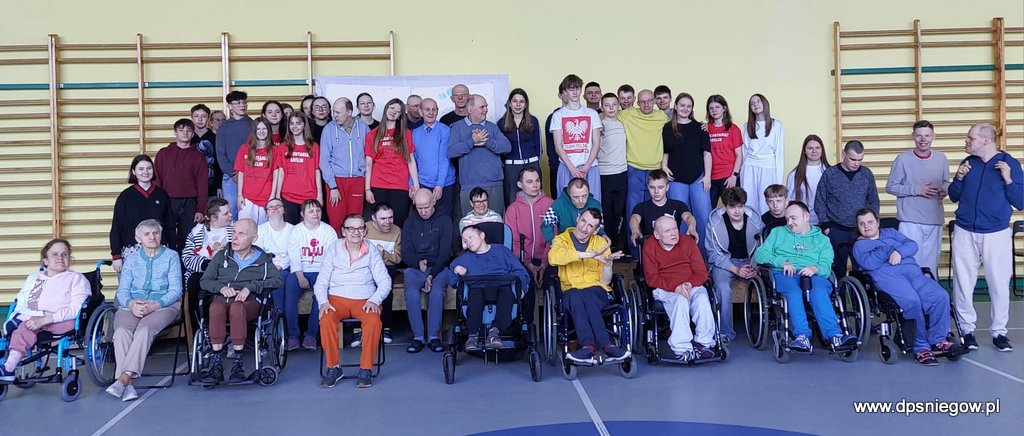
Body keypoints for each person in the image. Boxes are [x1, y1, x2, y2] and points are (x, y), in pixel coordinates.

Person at [949, 123, 1023, 352]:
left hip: (996, 233)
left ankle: (999, 332)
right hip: (964, 231)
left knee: (999, 284)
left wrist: (1008, 180)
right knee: (962, 283)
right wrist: (959, 178)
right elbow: (953, 196)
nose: (966, 141)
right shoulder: (967, 162)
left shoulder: (1009, 163)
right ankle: (966, 330)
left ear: (986, 140)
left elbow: (1021, 202)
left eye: (970, 138)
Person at [852, 209, 956, 365]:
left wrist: (899, 251)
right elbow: (869, 263)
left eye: (870, 222)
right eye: (862, 224)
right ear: (858, 227)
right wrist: (892, 249)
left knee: (940, 296)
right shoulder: (860, 245)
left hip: (913, 273)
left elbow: (912, 245)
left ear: (878, 222)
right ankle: (921, 347)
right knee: (912, 301)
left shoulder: (890, 232)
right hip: (888, 278)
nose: (866, 226)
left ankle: (938, 340)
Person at [753, 201, 857, 352]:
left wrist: (815, 268)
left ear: (806, 216)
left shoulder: (822, 240)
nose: (789, 223)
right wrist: (781, 262)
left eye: (793, 218)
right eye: (787, 219)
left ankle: (835, 335)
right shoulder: (778, 233)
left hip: (813, 274)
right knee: (793, 291)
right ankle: (802, 336)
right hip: (784, 273)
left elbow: (826, 266)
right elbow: (760, 254)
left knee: (818, 291)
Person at [105, 220, 182, 401]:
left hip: (163, 305)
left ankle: (122, 378)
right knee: (121, 332)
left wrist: (156, 304)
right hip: (133, 305)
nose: (152, 237)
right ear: (138, 239)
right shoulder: (131, 259)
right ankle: (128, 385)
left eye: (155, 233)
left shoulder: (171, 256)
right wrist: (131, 303)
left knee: (144, 330)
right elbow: (122, 291)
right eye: (147, 234)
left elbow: (176, 290)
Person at [199, 218, 283, 384]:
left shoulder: (263, 260)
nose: (235, 238)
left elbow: (278, 281)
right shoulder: (222, 256)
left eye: (241, 234)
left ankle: (238, 364)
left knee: (237, 308)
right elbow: (205, 280)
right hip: (223, 299)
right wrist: (221, 288)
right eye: (234, 233)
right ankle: (217, 365)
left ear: (253, 238)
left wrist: (251, 287)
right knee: (215, 307)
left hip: (249, 302)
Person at [315, 214, 392, 389]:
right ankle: (333, 368)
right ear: (343, 231)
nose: (356, 232)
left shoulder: (371, 250)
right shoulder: (334, 248)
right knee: (326, 319)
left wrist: (375, 300)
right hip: (336, 298)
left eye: (360, 228)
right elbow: (321, 282)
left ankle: (366, 369)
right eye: (351, 228)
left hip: (365, 299)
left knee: (373, 321)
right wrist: (323, 302)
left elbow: (385, 281)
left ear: (365, 231)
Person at [0, 239, 90, 383]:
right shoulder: (33, 278)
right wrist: (36, 317)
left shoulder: (77, 279)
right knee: (23, 329)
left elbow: (75, 309)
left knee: (23, 327)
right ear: (45, 260)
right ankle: (8, 367)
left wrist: (45, 319)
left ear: (69, 259)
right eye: (55, 254)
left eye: (65, 254)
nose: (60, 257)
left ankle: (8, 366)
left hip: (62, 320)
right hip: (32, 318)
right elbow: (20, 303)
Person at [547, 209, 627, 362]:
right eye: (583, 221)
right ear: (578, 218)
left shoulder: (601, 243)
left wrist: (608, 264)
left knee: (588, 295)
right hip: (571, 289)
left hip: (596, 290)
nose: (584, 228)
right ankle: (602, 345)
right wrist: (589, 255)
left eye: (590, 226)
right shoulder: (561, 240)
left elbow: (605, 281)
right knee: (578, 296)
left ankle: (591, 347)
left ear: (595, 230)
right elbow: (553, 258)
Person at [449, 225, 531, 351]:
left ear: (482, 236)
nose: (468, 242)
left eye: (470, 237)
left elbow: (520, 271)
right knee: (474, 298)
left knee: (507, 295)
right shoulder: (465, 257)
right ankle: (473, 335)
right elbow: (452, 279)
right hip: (477, 287)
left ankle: (494, 332)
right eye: (465, 240)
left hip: (502, 285)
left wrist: (523, 288)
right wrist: (456, 270)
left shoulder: (502, 251)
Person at [644, 216, 715, 360]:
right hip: (665, 288)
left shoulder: (688, 242)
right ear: (657, 235)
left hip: (691, 284)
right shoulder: (650, 246)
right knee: (680, 300)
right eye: (667, 231)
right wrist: (675, 288)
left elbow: (701, 272)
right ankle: (682, 348)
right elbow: (652, 278)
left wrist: (689, 284)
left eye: (675, 229)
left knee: (702, 299)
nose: (673, 233)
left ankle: (703, 343)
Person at [885, 120, 949, 275]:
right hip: (910, 221)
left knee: (930, 266)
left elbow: (946, 182)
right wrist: (917, 190)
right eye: (919, 135)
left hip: (934, 220)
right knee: (911, 264)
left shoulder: (941, 158)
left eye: (927, 135)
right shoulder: (902, 159)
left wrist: (945, 190)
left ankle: (929, 290)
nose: (923, 139)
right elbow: (891, 187)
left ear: (933, 136)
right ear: (913, 136)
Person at [706, 187, 763, 344]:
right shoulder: (714, 221)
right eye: (732, 207)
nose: (737, 211)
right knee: (722, 287)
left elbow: (762, 247)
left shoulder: (754, 219)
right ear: (725, 207)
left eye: (740, 206)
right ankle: (725, 333)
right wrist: (735, 269)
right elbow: (713, 253)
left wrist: (755, 267)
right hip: (725, 263)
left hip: (749, 261)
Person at [815, 140, 879, 278]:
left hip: (861, 231)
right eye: (852, 159)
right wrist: (826, 226)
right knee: (837, 272)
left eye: (860, 160)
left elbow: (874, 200)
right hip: (836, 230)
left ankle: (859, 293)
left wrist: (871, 224)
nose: (856, 163)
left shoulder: (866, 174)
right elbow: (820, 201)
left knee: (862, 271)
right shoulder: (830, 174)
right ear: (843, 154)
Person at [402, 188, 454, 353]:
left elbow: (446, 252)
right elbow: (405, 252)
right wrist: (417, 263)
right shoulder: (410, 222)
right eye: (420, 208)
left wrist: (431, 275)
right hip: (416, 267)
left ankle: (433, 337)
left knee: (437, 292)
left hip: (439, 267)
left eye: (426, 207)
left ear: (434, 202)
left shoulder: (445, 220)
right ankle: (418, 337)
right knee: (411, 293)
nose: (423, 212)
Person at [285, 200, 338, 350]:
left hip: (322, 271)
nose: (315, 213)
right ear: (302, 214)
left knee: (321, 297)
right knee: (289, 295)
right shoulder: (296, 231)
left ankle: (311, 335)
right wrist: (300, 276)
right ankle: (292, 336)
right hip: (300, 270)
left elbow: (332, 257)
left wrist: (323, 277)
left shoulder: (328, 231)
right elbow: (294, 256)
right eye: (311, 211)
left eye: (318, 210)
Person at [619, 89, 669, 249]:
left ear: (654, 101)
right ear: (637, 102)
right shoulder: (626, 115)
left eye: (649, 101)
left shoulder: (662, 117)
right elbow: (604, 116)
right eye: (642, 101)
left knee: (655, 210)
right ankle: (635, 252)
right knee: (633, 210)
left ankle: (656, 248)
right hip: (634, 169)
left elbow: (682, 122)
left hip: (656, 170)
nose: (646, 104)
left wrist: (704, 125)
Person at [181, 199, 233, 350]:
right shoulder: (196, 232)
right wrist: (207, 265)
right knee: (193, 282)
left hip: (227, 272)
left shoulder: (235, 230)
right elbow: (187, 257)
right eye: (226, 213)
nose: (231, 215)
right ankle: (200, 334)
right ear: (214, 217)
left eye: (229, 212)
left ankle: (230, 335)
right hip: (202, 272)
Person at [504, 167, 554, 322]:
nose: (535, 185)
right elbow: (513, 242)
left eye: (537, 181)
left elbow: (554, 238)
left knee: (552, 283)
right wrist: (528, 264)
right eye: (530, 182)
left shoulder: (550, 205)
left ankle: (556, 326)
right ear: (520, 184)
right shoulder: (513, 209)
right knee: (526, 284)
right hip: (522, 261)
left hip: (548, 259)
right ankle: (528, 327)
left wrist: (544, 263)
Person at [662, 93, 712, 247]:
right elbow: (665, 152)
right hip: (676, 179)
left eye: (688, 106)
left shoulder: (700, 128)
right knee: (680, 218)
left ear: (692, 109)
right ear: (676, 106)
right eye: (682, 105)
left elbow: (707, 154)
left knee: (703, 216)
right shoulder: (668, 128)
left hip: (698, 178)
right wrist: (664, 166)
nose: (685, 108)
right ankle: (682, 253)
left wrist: (707, 176)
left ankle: (704, 255)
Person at [448, 94, 512, 213]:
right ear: (470, 109)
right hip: (469, 185)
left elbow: (507, 147)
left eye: (486, 106)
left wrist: (487, 141)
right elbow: (451, 152)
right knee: (471, 223)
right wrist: (472, 141)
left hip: (494, 184)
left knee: (495, 221)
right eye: (482, 107)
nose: (486, 110)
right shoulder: (457, 127)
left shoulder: (492, 127)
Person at [110, 155, 172, 273]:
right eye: (141, 169)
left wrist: (172, 251)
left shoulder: (162, 195)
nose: (145, 172)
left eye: (149, 168)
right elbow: (117, 226)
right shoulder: (125, 196)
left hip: (159, 250)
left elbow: (170, 226)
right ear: (134, 171)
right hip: (132, 250)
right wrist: (116, 255)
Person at [154, 118, 209, 252]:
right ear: (175, 133)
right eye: (181, 130)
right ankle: (171, 263)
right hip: (168, 201)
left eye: (188, 130)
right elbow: (157, 179)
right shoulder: (163, 153)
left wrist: (200, 209)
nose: (185, 133)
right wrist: (158, 203)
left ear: (193, 134)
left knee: (188, 237)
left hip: (189, 203)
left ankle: (185, 265)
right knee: (167, 235)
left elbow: (202, 184)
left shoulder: (199, 156)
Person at [365, 98, 420, 228]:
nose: (394, 112)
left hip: (399, 184)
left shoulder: (405, 133)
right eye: (392, 108)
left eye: (398, 111)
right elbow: (368, 163)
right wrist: (367, 189)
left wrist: (416, 186)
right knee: (379, 222)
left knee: (398, 220)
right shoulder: (372, 134)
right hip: (378, 183)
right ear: (386, 109)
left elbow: (411, 160)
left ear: (400, 115)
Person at [320, 97, 371, 234]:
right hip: (336, 181)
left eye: (338, 112)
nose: (334, 115)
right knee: (336, 220)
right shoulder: (329, 129)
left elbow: (369, 157)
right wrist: (332, 186)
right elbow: (324, 160)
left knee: (355, 221)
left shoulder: (363, 128)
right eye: (333, 112)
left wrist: (366, 181)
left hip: (357, 180)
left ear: (349, 112)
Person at [355, 202, 401, 346]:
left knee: (385, 287)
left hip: (387, 266)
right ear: (374, 218)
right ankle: (359, 329)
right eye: (383, 218)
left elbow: (398, 258)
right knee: (359, 286)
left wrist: (385, 254)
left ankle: (385, 327)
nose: (388, 222)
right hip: (365, 266)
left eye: (390, 217)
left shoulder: (397, 231)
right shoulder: (364, 229)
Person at [551, 74, 603, 200]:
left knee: (592, 203)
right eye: (571, 89)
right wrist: (572, 168)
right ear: (565, 92)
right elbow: (558, 146)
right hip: (567, 166)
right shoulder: (558, 115)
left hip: (590, 167)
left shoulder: (592, 114)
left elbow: (596, 143)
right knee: (566, 204)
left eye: (577, 88)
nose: (575, 92)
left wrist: (586, 167)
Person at [628, 170, 698, 252]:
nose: (656, 191)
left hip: (673, 249)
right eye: (652, 187)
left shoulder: (678, 205)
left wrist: (692, 227)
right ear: (648, 187)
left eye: (660, 187)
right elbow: (634, 218)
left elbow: (688, 216)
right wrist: (635, 230)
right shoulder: (641, 207)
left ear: (667, 187)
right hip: (651, 251)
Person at [412, 98, 456, 220]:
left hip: (445, 183)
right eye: (427, 109)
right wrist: (412, 184)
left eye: (434, 109)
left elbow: (444, 159)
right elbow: (412, 161)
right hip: (423, 183)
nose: (431, 112)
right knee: (424, 219)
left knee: (444, 218)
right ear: (420, 112)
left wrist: (440, 184)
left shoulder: (445, 130)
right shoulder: (414, 133)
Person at [740, 94, 785, 215]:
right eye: (752, 103)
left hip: (768, 167)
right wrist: (742, 174)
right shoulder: (746, 126)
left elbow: (779, 152)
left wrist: (778, 181)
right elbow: (744, 152)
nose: (755, 104)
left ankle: (767, 227)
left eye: (758, 101)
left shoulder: (777, 125)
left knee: (768, 203)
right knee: (749, 202)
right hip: (749, 167)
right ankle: (751, 226)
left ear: (765, 103)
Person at [275, 113, 323, 224]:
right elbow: (281, 172)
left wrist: (319, 195)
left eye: (298, 123)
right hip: (288, 195)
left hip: (309, 196)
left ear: (304, 125)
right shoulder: (283, 147)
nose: (294, 126)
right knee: (290, 229)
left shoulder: (314, 147)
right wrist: (277, 195)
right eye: (292, 123)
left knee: (309, 229)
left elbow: (317, 171)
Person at [498, 88, 542, 208]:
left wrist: (535, 162)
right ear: (509, 103)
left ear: (526, 104)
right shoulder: (501, 123)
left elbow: (539, 145)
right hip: (511, 167)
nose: (518, 105)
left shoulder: (533, 121)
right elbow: (500, 149)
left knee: (535, 197)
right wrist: (505, 164)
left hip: (532, 164)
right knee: (512, 199)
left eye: (521, 101)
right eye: (515, 101)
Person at [234, 117, 282, 225]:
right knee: (245, 228)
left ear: (268, 131)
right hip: (247, 197)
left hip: (266, 196)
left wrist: (272, 197)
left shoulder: (275, 150)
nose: (261, 131)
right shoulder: (244, 149)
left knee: (262, 229)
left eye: (264, 129)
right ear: (254, 131)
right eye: (258, 129)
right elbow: (240, 173)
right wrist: (240, 195)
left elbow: (276, 175)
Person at [258, 198, 294, 339]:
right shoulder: (261, 230)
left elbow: (294, 253)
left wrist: (281, 265)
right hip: (267, 268)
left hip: (287, 267)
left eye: (278, 206)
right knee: (276, 280)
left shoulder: (293, 230)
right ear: (266, 212)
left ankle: (281, 328)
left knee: (281, 279)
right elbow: (258, 252)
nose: (275, 208)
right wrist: (271, 266)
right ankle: (279, 327)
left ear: (284, 210)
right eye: (271, 207)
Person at [598, 93, 629, 254]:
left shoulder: (624, 122)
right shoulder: (598, 124)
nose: (611, 108)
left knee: (620, 210)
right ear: (601, 107)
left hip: (622, 172)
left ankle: (619, 245)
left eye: (614, 105)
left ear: (618, 106)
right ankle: (608, 246)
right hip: (604, 173)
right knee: (607, 211)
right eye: (607, 105)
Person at [215, 90, 253, 217]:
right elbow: (220, 154)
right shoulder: (223, 128)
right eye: (238, 103)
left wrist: (246, 172)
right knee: (230, 212)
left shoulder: (254, 125)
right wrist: (232, 173)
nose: (242, 105)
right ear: (230, 106)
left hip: (251, 175)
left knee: (249, 211)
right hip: (231, 177)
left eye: (244, 102)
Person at [707, 95, 744, 210]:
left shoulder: (733, 129)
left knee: (733, 209)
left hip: (728, 176)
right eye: (711, 108)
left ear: (724, 108)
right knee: (708, 210)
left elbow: (739, 155)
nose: (714, 110)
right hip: (711, 178)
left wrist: (734, 176)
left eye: (717, 107)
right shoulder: (705, 129)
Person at [542, 177, 604, 244]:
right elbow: (546, 226)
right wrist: (556, 243)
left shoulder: (595, 204)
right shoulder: (558, 204)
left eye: (584, 196)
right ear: (569, 194)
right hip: (566, 246)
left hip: (590, 246)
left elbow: (600, 228)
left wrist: (604, 237)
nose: (581, 201)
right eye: (576, 197)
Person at [786, 134, 830, 224]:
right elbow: (789, 201)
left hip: (827, 223)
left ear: (822, 150)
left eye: (817, 148)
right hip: (803, 224)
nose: (814, 151)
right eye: (810, 148)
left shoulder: (831, 172)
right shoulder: (794, 174)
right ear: (804, 151)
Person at [190, 104, 221, 200]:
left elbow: (219, 162)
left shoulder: (216, 138)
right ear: (192, 118)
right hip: (191, 186)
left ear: (208, 119)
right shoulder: (187, 138)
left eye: (203, 116)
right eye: (196, 116)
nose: (200, 119)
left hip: (211, 186)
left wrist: (219, 186)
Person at [545, 91, 569, 197]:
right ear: (560, 95)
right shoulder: (553, 117)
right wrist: (554, 165)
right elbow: (551, 145)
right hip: (558, 166)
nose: (570, 94)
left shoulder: (585, 114)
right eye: (565, 92)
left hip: (579, 166)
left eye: (573, 90)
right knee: (559, 199)